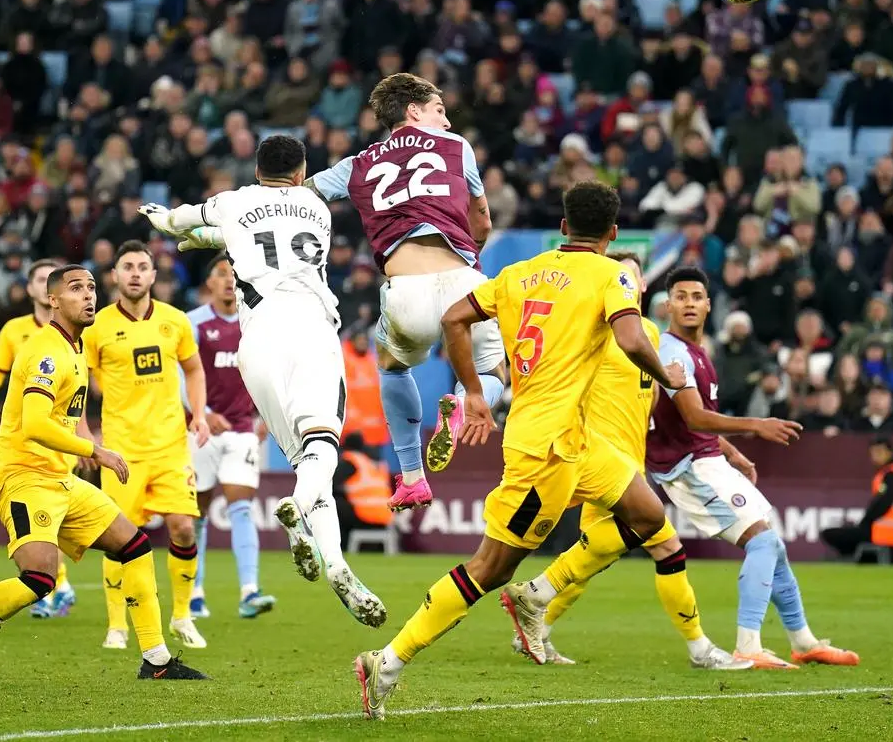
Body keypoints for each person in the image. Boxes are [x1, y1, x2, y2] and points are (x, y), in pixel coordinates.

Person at [352, 181, 689, 719]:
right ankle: (387, 661)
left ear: (561, 227)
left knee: (647, 514)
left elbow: (453, 319)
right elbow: (629, 339)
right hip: (546, 451)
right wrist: (667, 376)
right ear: (613, 234)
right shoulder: (612, 275)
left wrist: (476, 391)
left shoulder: (519, 274)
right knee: (489, 570)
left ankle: (540, 594)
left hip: (574, 442)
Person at [0, 265, 207, 682]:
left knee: (135, 545)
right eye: (75, 289)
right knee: (40, 578)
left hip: (60, 479)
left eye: (91, 288)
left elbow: (64, 417)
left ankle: (156, 661)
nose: (88, 296)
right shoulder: (46, 351)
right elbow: (34, 424)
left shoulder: (75, 348)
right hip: (23, 477)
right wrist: (95, 450)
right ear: (53, 300)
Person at [140, 135, 387, 628]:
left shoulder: (234, 202)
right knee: (322, 450)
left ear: (257, 171)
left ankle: (336, 565)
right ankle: (296, 504)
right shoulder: (318, 206)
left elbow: (187, 223)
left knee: (305, 458)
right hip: (311, 327)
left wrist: (166, 221)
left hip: (256, 341)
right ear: (300, 173)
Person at [504, 251, 750, 671]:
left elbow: (652, 405)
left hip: (628, 466)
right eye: (617, 276)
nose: (624, 283)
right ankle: (699, 649)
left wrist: (724, 448)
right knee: (667, 547)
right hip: (598, 460)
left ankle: (535, 625)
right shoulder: (594, 331)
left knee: (593, 560)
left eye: (630, 277)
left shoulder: (649, 335)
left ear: (641, 286)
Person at [303, 73, 504, 512]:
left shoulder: (356, 164)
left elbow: (304, 195)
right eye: (439, 110)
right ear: (414, 111)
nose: (447, 122)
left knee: (394, 370)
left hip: (404, 289)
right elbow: (483, 223)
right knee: (494, 372)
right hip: (465, 284)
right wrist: (468, 252)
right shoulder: (458, 148)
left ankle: (412, 477)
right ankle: (464, 404)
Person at [645, 266, 858, 668]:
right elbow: (694, 418)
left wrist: (731, 453)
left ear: (709, 306)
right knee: (762, 542)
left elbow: (698, 417)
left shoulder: (697, 352)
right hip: (687, 468)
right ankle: (748, 645)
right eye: (681, 297)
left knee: (772, 544)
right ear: (667, 304)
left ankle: (804, 640)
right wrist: (755, 427)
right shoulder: (671, 353)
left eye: (696, 297)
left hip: (708, 460)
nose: (689, 304)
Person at [82, 241, 211, 651]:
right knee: (118, 535)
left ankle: (182, 616)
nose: (135, 273)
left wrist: (200, 414)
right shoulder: (97, 326)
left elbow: (193, 369)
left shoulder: (175, 321)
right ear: (114, 276)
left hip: (171, 446)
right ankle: (117, 625)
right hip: (122, 449)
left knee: (184, 528)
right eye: (128, 267)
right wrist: (85, 433)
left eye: (143, 267)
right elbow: (80, 381)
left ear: (154, 276)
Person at [0, 257, 77, 619]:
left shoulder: (77, 331)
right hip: (23, 436)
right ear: (36, 289)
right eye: (36, 279)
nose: (40, 284)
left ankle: (54, 585)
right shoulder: (14, 330)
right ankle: (57, 585)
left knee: (52, 513)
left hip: (60, 438)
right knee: (40, 515)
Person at [186, 254, 274, 620]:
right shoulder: (193, 323)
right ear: (208, 282)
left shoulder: (254, 322)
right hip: (199, 431)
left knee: (241, 508)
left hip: (240, 428)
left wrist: (270, 413)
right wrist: (200, 413)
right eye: (220, 274)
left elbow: (268, 371)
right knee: (197, 513)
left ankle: (249, 591)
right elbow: (180, 374)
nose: (228, 281)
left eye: (233, 275)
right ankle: (193, 592)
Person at [820, 436, 893, 563]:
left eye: (879, 452)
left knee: (830, 534)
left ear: (890, 453)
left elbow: (882, 503)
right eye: (873, 453)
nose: (875, 457)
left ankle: (850, 559)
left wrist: (865, 522)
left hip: (887, 535)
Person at [333, 435, 394, 551]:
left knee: (332, 504)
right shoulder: (374, 463)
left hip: (364, 515)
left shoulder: (351, 461)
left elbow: (331, 484)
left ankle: (340, 548)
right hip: (385, 517)